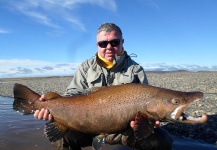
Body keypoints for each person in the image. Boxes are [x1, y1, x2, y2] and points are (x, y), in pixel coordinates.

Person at [34, 23, 172, 150]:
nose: (109, 47)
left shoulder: (135, 69)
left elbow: (147, 106)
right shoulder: (85, 68)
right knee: (61, 138)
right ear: (97, 45)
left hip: (124, 130)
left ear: (122, 42)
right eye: (103, 43)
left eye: (114, 42)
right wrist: (50, 108)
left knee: (162, 140)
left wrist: (141, 123)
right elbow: (71, 95)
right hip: (87, 127)